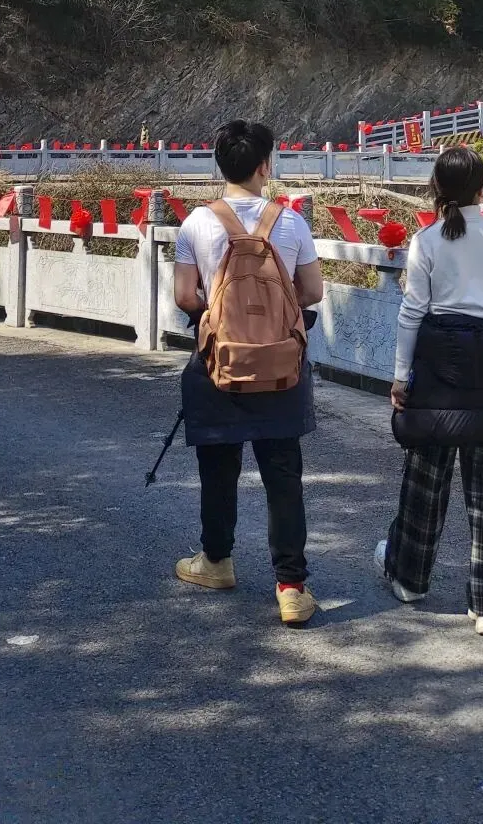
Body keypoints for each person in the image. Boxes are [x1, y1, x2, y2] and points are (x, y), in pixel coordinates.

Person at [375, 146, 483, 636]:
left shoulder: (426, 240)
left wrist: (400, 376)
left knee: (424, 484)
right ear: (482, 188)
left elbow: (412, 312)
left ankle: (409, 579)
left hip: (437, 379)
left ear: (436, 189)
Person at [173, 119, 324, 626]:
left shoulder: (197, 223)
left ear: (221, 165)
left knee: (219, 468)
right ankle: (291, 588)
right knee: (283, 475)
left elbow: (184, 296)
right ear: (265, 166)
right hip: (281, 365)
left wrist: (223, 318)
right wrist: (272, 319)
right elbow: (313, 291)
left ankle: (216, 562)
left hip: (220, 363)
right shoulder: (291, 223)